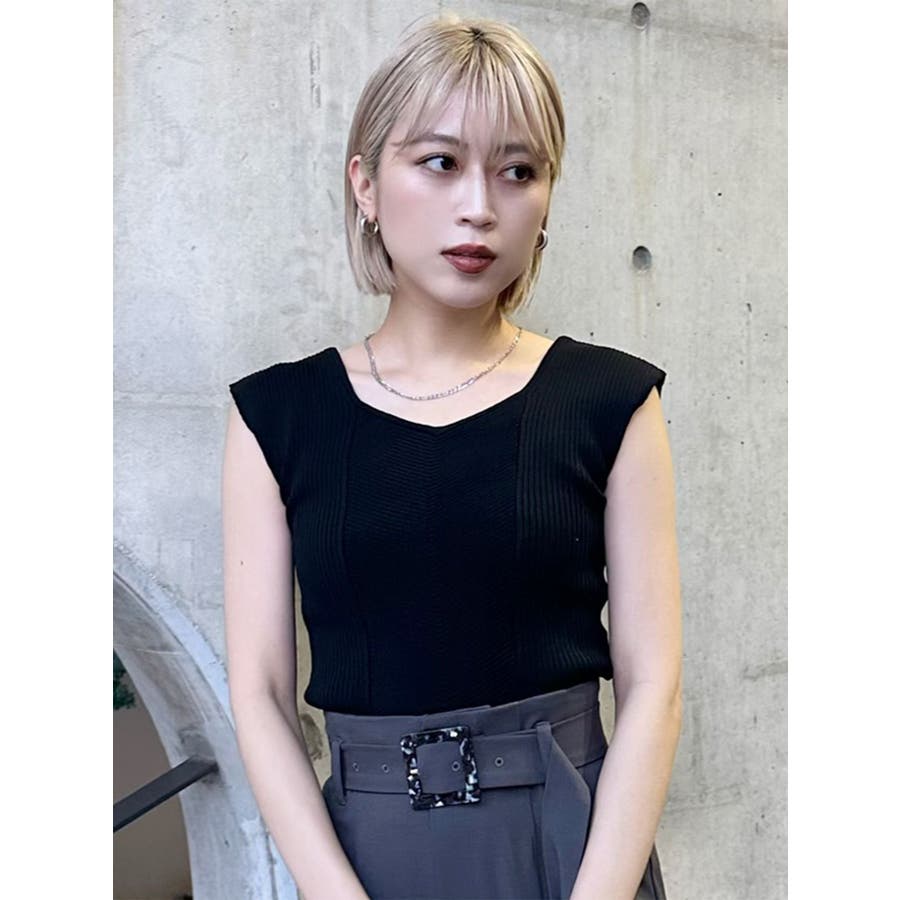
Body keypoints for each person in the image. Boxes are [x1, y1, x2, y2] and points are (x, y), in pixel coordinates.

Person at [222, 13, 682, 900]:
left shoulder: (611, 401)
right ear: (365, 183)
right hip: (366, 862)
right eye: (440, 162)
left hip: (575, 854)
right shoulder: (276, 418)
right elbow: (262, 696)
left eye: (518, 171)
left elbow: (654, 687)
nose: (479, 206)